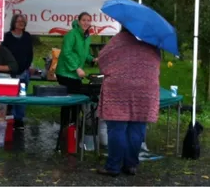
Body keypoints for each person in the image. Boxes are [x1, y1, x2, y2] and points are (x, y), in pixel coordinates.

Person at [97, 27, 161, 177]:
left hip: (119, 87)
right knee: (137, 128)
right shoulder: (151, 42)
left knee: (117, 127)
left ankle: (113, 166)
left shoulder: (117, 41)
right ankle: (130, 165)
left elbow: (102, 61)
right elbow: (157, 63)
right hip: (145, 90)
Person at [55, 12, 97, 129]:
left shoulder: (87, 36)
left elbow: (84, 53)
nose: (86, 22)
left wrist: (93, 59)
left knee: (76, 102)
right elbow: (66, 53)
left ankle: (73, 127)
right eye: (83, 20)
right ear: (78, 22)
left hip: (75, 74)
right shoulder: (71, 34)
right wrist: (77, 68)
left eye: (88, 20)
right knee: (69, 101)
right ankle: (65, 127)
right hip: (65, 73)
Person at [2, 14, 33, 130]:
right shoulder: (7, 37)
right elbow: (4, 54)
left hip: (24, 72)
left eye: (23, 21)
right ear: (13, 23)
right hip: (9, 73)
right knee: (9, 96)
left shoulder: (27, 36)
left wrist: (27, 66)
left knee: (21, 97)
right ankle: (9, 119)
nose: (20, 23)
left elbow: (30, 54)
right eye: (18, 21)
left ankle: (19, 120)